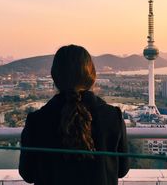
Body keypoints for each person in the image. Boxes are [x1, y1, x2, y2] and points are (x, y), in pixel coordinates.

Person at [19, 45, 129, 185]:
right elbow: (122, 170)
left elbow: (27, 174)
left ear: (55, 77)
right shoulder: (113, 117)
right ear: (92, 77)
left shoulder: (36, 120)